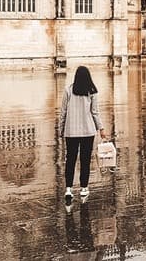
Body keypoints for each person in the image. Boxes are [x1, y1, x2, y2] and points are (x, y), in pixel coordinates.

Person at [59, 66, 107, 204]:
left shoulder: (68, 90)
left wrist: (61, 130)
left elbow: (63, 112)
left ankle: (68, 189)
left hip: (71, 131)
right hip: (87, 131)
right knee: (85, 160)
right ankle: (84, 188)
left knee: (70, 160)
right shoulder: (92, 91)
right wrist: (101, 129)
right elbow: (95, 112)